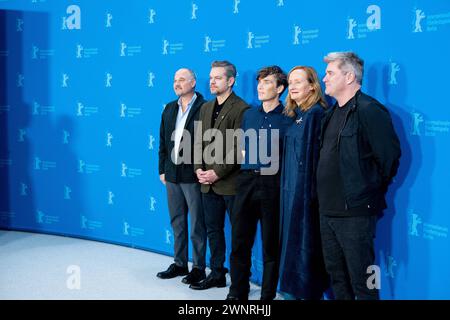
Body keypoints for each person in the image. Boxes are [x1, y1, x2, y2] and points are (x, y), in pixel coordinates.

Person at [317, 52, 401, 300]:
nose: (324, 79)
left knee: (363, 282)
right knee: (337, 277)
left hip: (355, 214)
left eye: (330, 73)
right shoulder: (330, 114)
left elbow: (389, 158)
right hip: (327, 211)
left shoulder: (370, 110)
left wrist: (365, 192)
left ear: (350, 76)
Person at [227, 66, 292, 301]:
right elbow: (243, 147)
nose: (260, 86)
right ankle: (237, 292)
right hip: (245, 182)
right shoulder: (249, 115)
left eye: (266, 82)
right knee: (239, 240)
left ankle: (267, 296)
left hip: (272, 185)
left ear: (280, 88)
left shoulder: (289, 118)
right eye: (259, 82)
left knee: (270, 245)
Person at [190, 61, 249, 290]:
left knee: (237, 234)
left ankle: (239, 281)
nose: (212, 81)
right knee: (213, 231)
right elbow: (196, 141)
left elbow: (238, 148)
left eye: (218, 78)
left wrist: (217, 172)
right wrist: (198, 169)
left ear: (231, 81)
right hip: (207, 184)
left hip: (230, 184)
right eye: (211, 77)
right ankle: (216, 274)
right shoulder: (205, 107)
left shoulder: (241, 108)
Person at [278, 66, 329, 300]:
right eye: (290, 82)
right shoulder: (297, 115)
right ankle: (291, 292)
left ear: (312, 85)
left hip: (305, 197)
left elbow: (313, 163)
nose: (293, 86)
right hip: (289, 193)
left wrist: (305, 197)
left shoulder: (316, 114)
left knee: (304, 247)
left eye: (299, 81)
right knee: (290, 245)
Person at [157, 68, 207, 286]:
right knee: (177, 221)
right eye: (174, 79)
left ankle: (198, 267)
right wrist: (162, 169)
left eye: (182, 79)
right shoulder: (169, 108)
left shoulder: (205, 108)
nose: (177, 83)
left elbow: (209, 144)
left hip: (193, 176)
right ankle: (179, 263)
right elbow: (162, 143)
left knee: (197, 223)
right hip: (172, 175)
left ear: (193, 82)